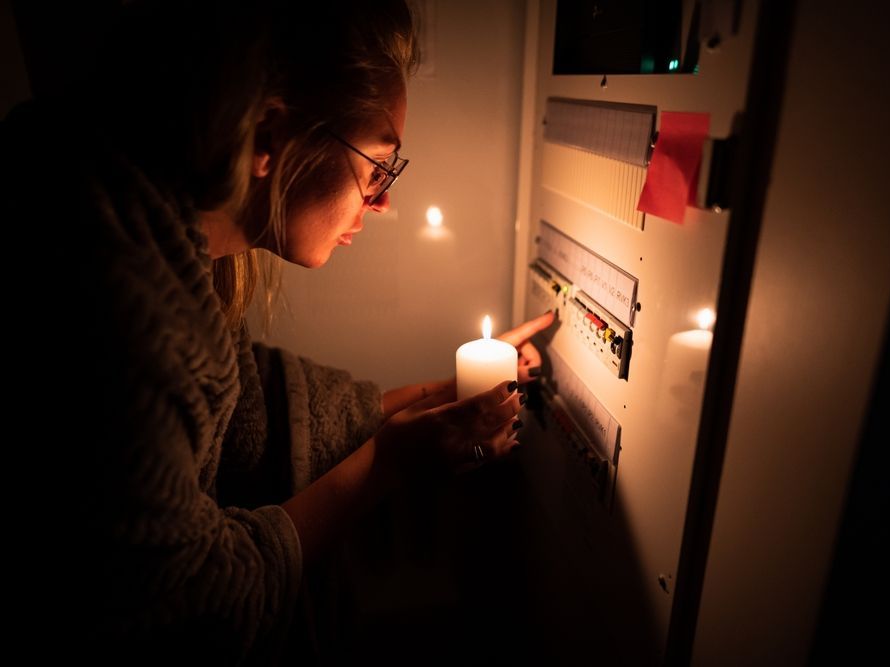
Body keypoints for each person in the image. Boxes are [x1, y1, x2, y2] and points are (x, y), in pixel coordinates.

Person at [2, 0, 554, 662]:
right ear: (270, 136)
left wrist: (438, 398)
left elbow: (252, 407)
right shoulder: (119, 304)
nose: (382, 203)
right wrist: (388, 463)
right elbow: (186, 609)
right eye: (377, 166)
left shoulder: (167, 242)